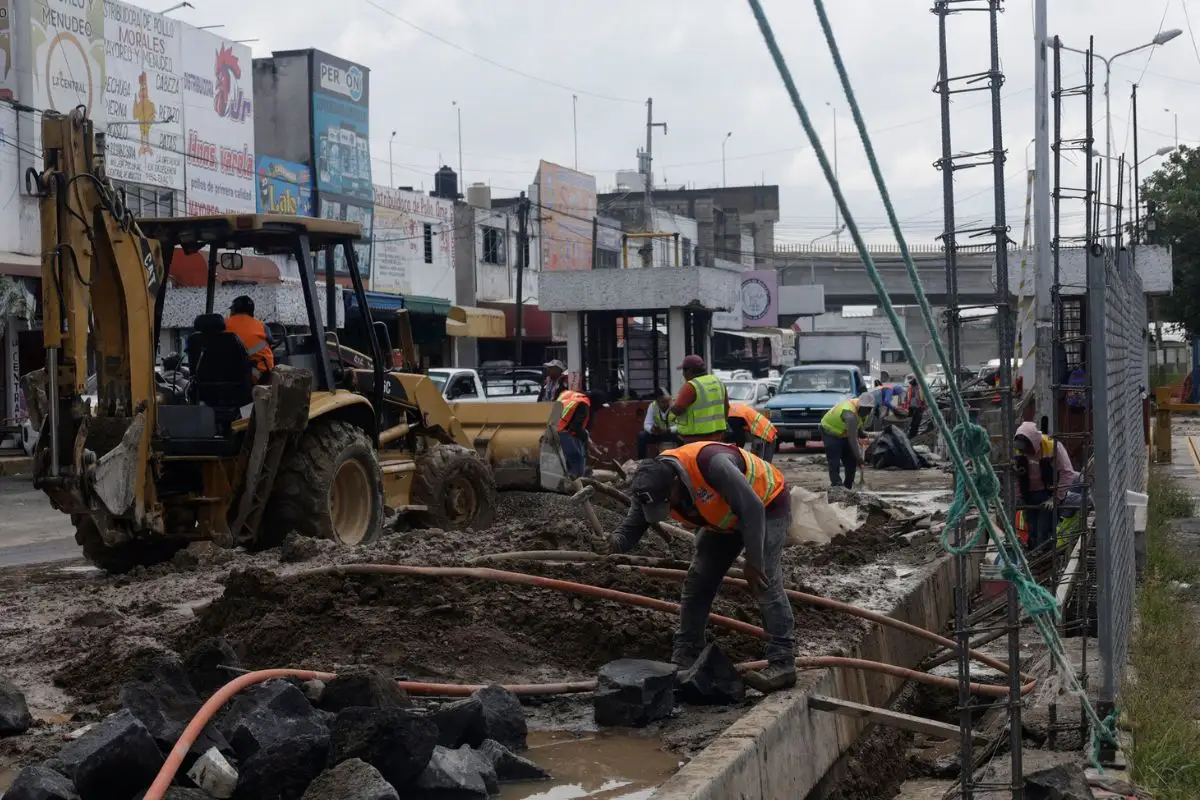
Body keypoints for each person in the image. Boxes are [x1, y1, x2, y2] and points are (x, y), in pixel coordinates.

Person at [608, 442, 796, 693]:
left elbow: (752, 509)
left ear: (675, 482)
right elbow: (633, 525)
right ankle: (687, 651)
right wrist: (613, 544)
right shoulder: (648, 482)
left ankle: (782, 663)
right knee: (698, 581)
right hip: (723, 519)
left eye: (667, 502)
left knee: (764, 582)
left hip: (765, 505)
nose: (667, 509)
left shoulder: (712, 465)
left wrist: (753, 562)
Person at [1013, 421, 1079, 554]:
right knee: (1031, 528)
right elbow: (1015, 475)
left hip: (1048, 493)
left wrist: (1055, 498)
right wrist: (1018, 495)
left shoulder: (1052, 447)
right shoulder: (1019, 450)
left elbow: (1067, 473)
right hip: (1029, 494)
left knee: (1044, 528)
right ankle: (1034, 554)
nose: (1025, 452)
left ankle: (1045, 554)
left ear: (1033, 442)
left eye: (1027, 449)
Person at [819, 392, 874, 490]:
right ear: (859, 406)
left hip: (844, 432)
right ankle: (837, 485)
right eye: (865, 409)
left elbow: (858, 426)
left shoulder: (864, 413)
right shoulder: (850, 414)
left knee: (850, 460)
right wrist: (859, 457)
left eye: (869, 409)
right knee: (834, 458)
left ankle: (848, 485)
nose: (867, 412)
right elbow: (852, 439)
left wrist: (861, 433)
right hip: (830, 430)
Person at [670, 355, 729, 443]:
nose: (683, 374)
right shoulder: (718, 382)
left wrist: (670, 402)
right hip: (718, 436)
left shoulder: (691, 386)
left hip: (695, 438)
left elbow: (678, 410)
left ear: (689, 370)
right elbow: (726, 407)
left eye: (683, 371)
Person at [225, 295, 274, 383]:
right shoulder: (263, 326)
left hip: (226, 373)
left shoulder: (223, 324)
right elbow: (271, 341)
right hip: (256, 376)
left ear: (234, 310)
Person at [556, 388, 593, 479]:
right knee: (577, 459)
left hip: (552, 428)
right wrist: (585, 439)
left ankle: (567, 478)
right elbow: (576, 426)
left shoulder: (567, 395)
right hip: (563, 431)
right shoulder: (583, 403)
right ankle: (577, 482)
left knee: (565, 459)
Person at [637, 387, 682, 459]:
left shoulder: (675, 405)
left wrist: (668, 430)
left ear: (669, 399)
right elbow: (647, 424)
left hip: (672, 433)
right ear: (657, 401)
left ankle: (682, 459)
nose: (663, 404)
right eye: (660, 402)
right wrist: (652, 430)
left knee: (682, 436)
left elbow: (681, 426)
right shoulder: (653, 405)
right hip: (658, 434)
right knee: (642, 436)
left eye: (665, 401)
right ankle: (642, 461)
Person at [904, 374, 925, 439]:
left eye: (911, 381)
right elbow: (907, 397)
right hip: (911, 408)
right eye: (909, 382)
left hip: (919, 407)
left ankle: (912, 437)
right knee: (910, 423)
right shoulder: (910, 387)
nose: (910, 382)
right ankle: (909, 436)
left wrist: (923, 405)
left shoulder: (921, 386)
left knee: (916, 424)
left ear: (914, 380)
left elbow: (924, 397)